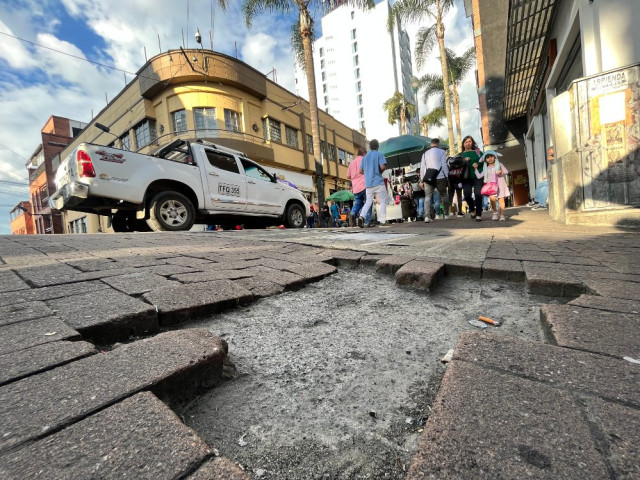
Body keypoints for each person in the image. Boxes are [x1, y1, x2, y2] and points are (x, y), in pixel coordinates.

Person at [358, 139, 388, 227]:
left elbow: (360, 171)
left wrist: (368, 172)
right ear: (377, 146)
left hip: (368, 183)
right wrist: (378, 171)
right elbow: (382, 167)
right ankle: (382, 221)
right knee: (383, 201)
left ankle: (361, 216)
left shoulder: (365, 158)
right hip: (378, 182)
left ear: (370, 147)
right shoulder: (379, 155)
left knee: (368, 201)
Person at [420, 138, 450, 223]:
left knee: (427, 197)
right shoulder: (442, 152)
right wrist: (447, 176)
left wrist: (422, 179)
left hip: (428, 178)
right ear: (438, 144)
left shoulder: (425, 154)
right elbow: (444, 165)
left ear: (431, 144)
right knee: (444, 194)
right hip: (440, 176)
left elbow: (422, 167)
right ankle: (446, 214)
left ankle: (427, 217)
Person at [474, 150, 510, 221]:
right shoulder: (485, 169)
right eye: (487, 157)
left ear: (495, 157)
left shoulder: (500, 165)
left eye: (491, 156)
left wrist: (501, 172)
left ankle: (502, 215)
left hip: (500, 185)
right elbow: (479, 176)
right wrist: (476, 169)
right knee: (492, 200)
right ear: (485, 159)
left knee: (501, 200)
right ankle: (495, 212)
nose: (489, 158)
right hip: (491, 187)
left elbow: (506, 172)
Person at [459, 135, 484, 222]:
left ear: (472, 142)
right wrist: (463, 160)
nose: (468, 143)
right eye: (466, 142)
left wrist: (478, 164)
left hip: (478, 176)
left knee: (478, 194)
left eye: (469, 141)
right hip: (466, 178)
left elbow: (484, 159)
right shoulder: (461, 154)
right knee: (467, 194)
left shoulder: (477, 151)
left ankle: (478, 215)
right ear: (463, 144)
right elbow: (455, 163)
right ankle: (472, 209)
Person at [347, 147, 372, 225]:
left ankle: (352, 213)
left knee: (358, 203)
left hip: (356, 188)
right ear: (364, 153)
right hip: (364, 185)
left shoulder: (351, 163)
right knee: (368, 202)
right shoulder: (365, 160)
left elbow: (348, 176)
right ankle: (367, 222)